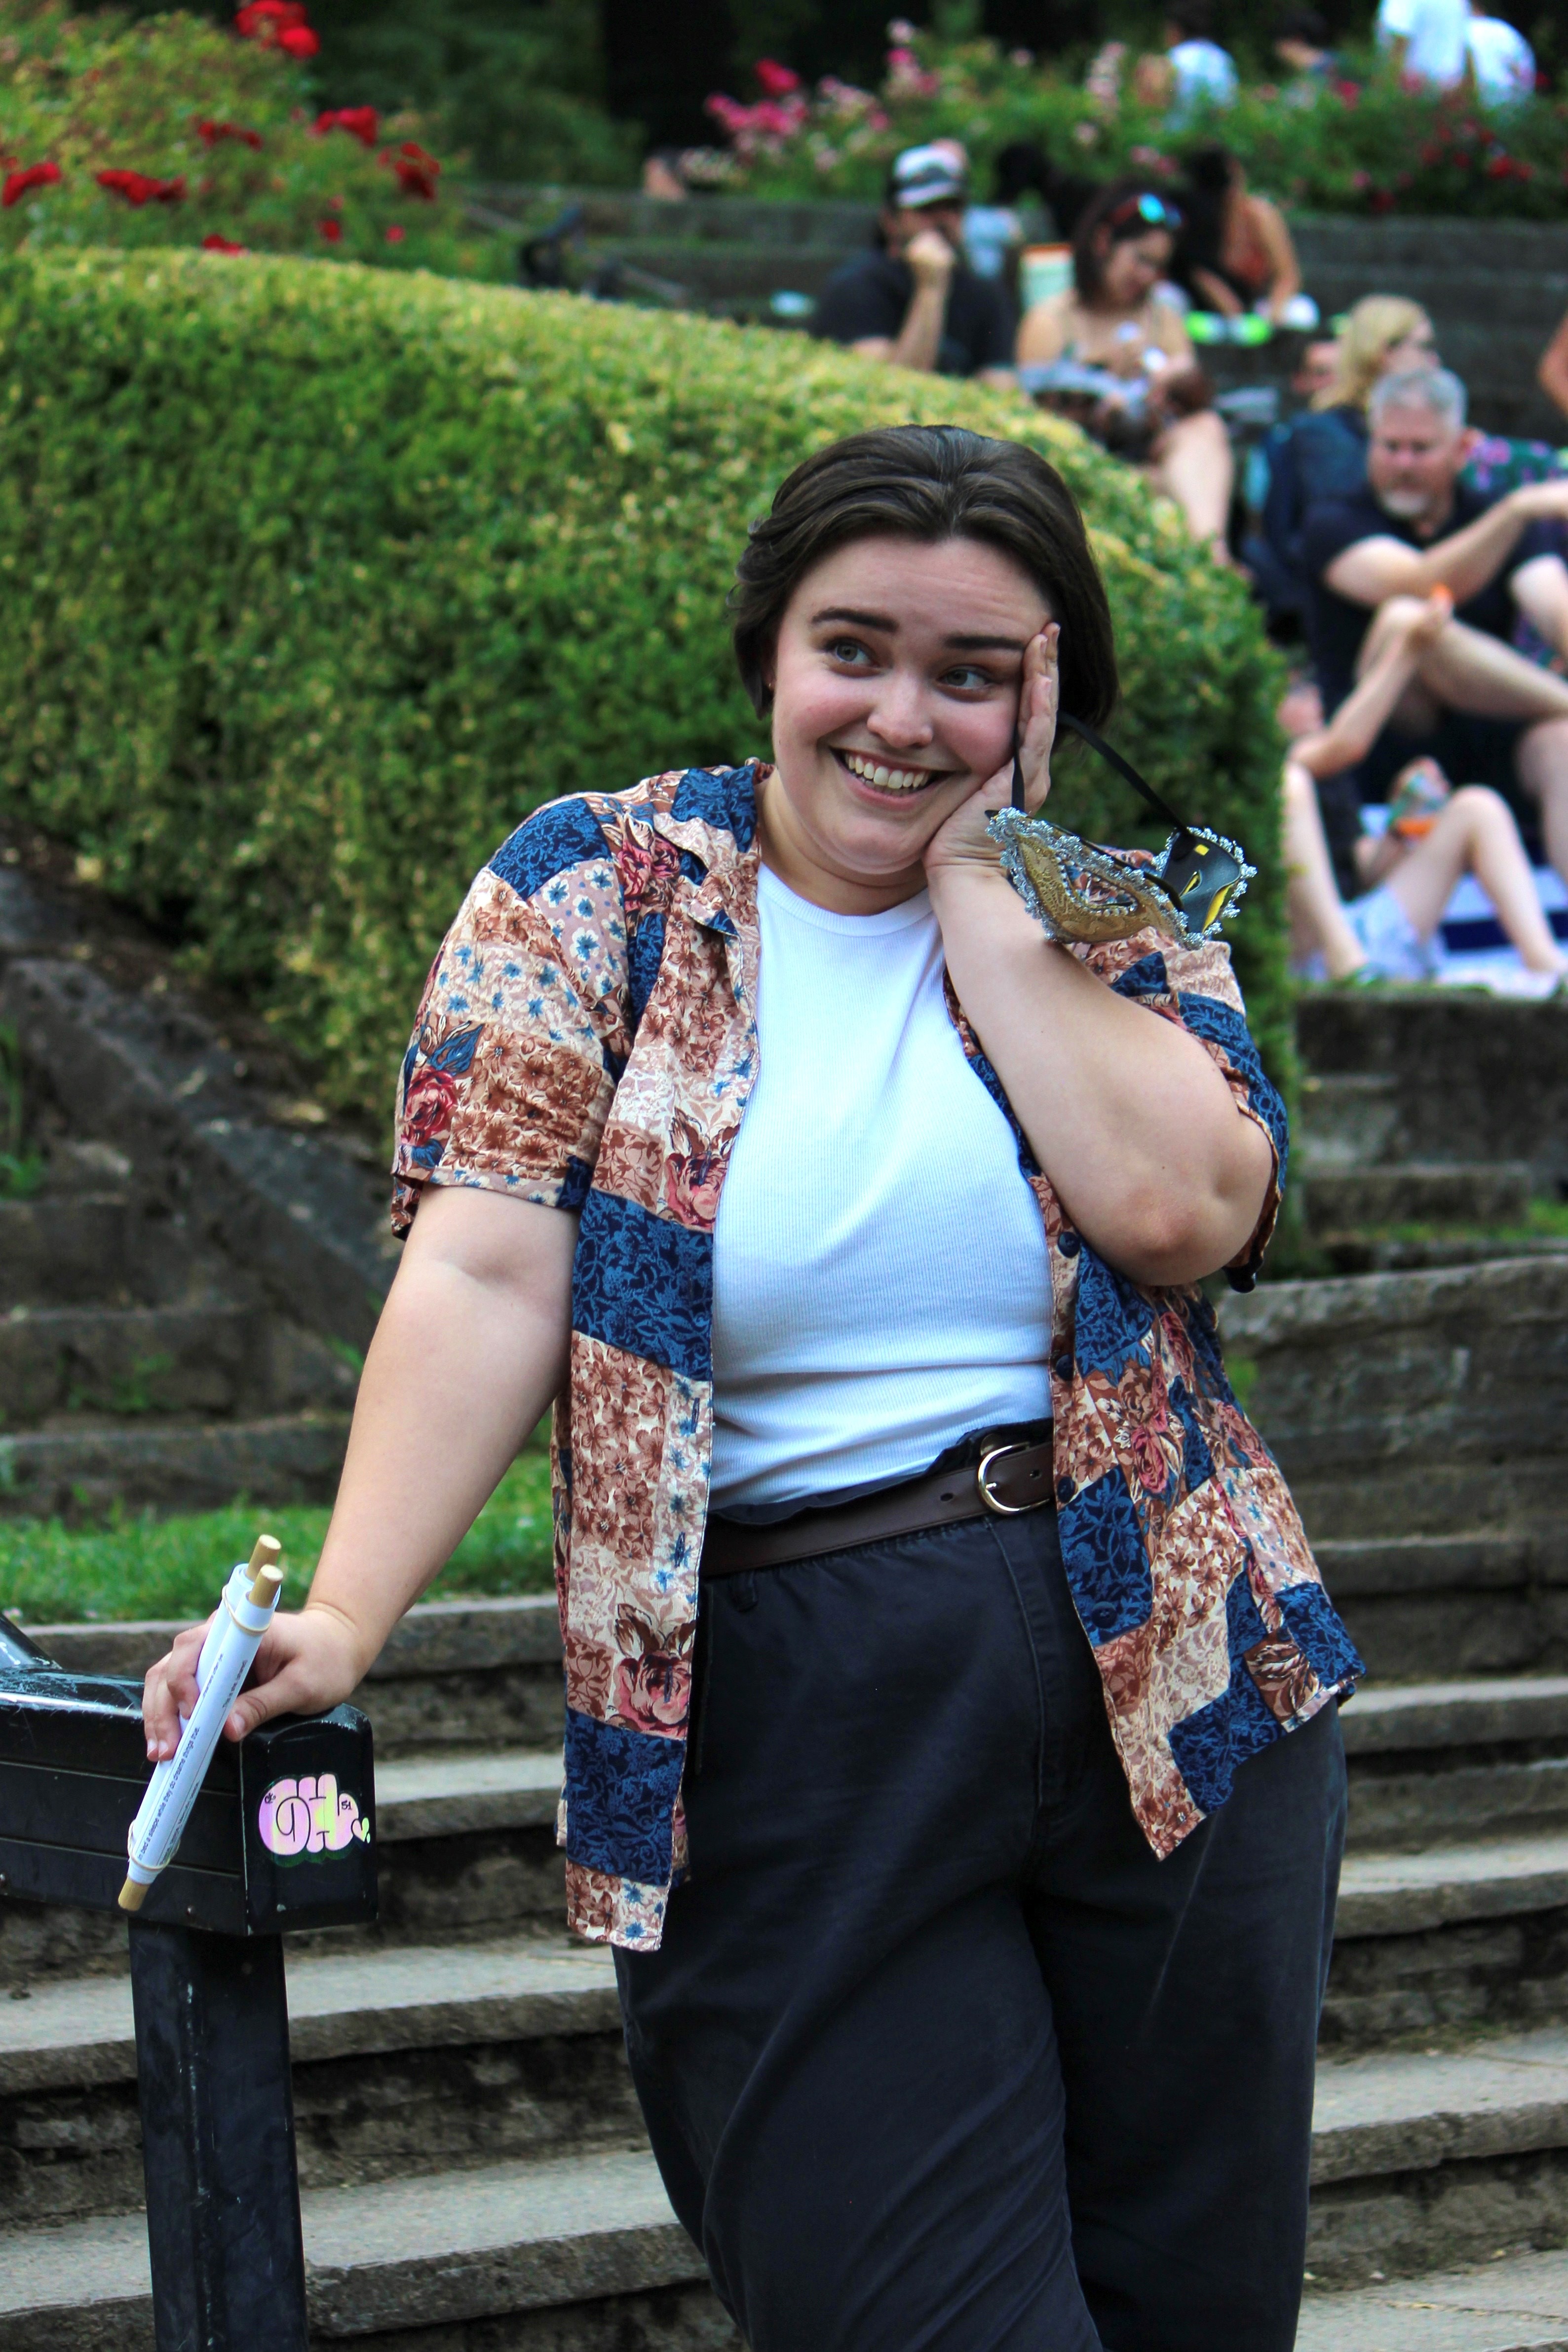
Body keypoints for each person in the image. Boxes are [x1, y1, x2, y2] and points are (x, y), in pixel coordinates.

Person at [142, 423, 1358, 2352]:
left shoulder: (1113, 914)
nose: (898, 715)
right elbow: (479, 1261)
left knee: (1188, 2317)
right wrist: (350, 1612)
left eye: (971, 676)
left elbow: (1174, 1205)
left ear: (1046, 703)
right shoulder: (592, 894)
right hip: (789, 1683)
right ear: (768, 652)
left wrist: (985, 902)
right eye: (850, 649)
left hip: (1178, 1655)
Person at [1302, 365, 1568, 887]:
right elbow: (1422, 582)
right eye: (1389, 446)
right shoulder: (1334, 520)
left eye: (1420, 449)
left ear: (1463, 447)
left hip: (1491, 736)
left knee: (1562, 742)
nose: (1402, 464)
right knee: (1410, 620)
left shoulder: (1489, 515)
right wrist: (1518, 509)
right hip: (1377, 746)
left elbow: (1552, 605)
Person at [1281, 593, 1568, 983]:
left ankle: (1546, 965)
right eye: (1296, 691)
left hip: (1362, 931)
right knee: (1290, 783)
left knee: (1477, 805)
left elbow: (1365, 875)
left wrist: (1403, 822)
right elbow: (1345, 743)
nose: (1313, 697)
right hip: (1306, 950)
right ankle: (1345, 963)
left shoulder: (1331, 778)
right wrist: (1407, 649)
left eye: (1312, 686)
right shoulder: (1278, 768)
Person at [1017, 181, 1235, 559]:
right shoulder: (1050, 322)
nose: (1148, 276)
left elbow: (1195, 405)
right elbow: (1029, 423)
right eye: (1140, 259)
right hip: (1080, 465)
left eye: (1158, 266)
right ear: (1103, 242)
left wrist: (1175, 378)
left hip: (1153, 453)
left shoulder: (1163, 320)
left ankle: (1214, 558)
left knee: (1205, 431)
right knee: (1163, 486)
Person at [1256, 296, 1439, 625]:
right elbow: (1350, 527)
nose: (1434, 361)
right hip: (1351, 596)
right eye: (1424, 347)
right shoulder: (1324, 432)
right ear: (1386, 354)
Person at [813, 142, 1016, 386]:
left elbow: (1000, 386)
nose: (943, 220)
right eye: (926, 208)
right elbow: (892, 390)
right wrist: (931, 289)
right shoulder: (856, 287)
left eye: (953, 207)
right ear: (891, 221)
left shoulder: (984, 293)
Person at [1175, 143, 1306, 326]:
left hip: (1262, 307)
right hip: (1211, 310)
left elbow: (1288, 276)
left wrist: (1272, 316)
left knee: (1300, 314)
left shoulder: (1260, 215)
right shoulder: (1200, 217)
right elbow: (1196, 269)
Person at [1375, 0, 1473, 88]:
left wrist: (1385, 87)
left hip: (1412, 91)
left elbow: (1399, 39)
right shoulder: (1461, 3)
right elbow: (1467, 48)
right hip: (1450, 93)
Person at [1466, 1, 1536, 101]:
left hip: (1475, 109)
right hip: (1513, 107)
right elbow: (1525, 74)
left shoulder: (1461, 33)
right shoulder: (1506, 31)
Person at [1273, 6, 1338, 85]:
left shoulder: (1327, 70)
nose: (1277, 49)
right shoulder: (1328, 61)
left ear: (1297, 40)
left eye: (1281, 43)